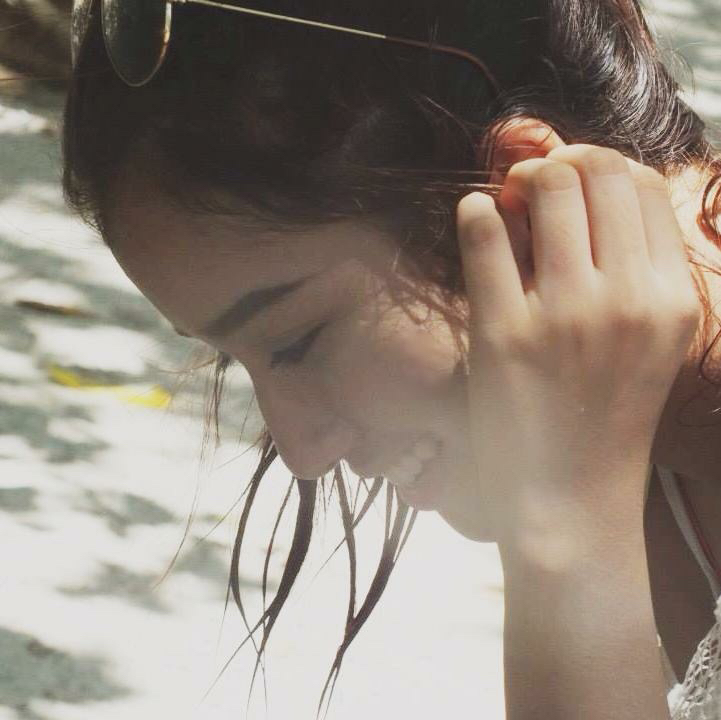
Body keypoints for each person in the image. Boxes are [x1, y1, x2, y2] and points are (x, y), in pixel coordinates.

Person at [63, 0, 721, 718]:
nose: (302, 451)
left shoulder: (591, 460)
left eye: (298, 340)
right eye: (232, 362)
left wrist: (566, 527)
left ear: (522, 197)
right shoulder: (633, 444)